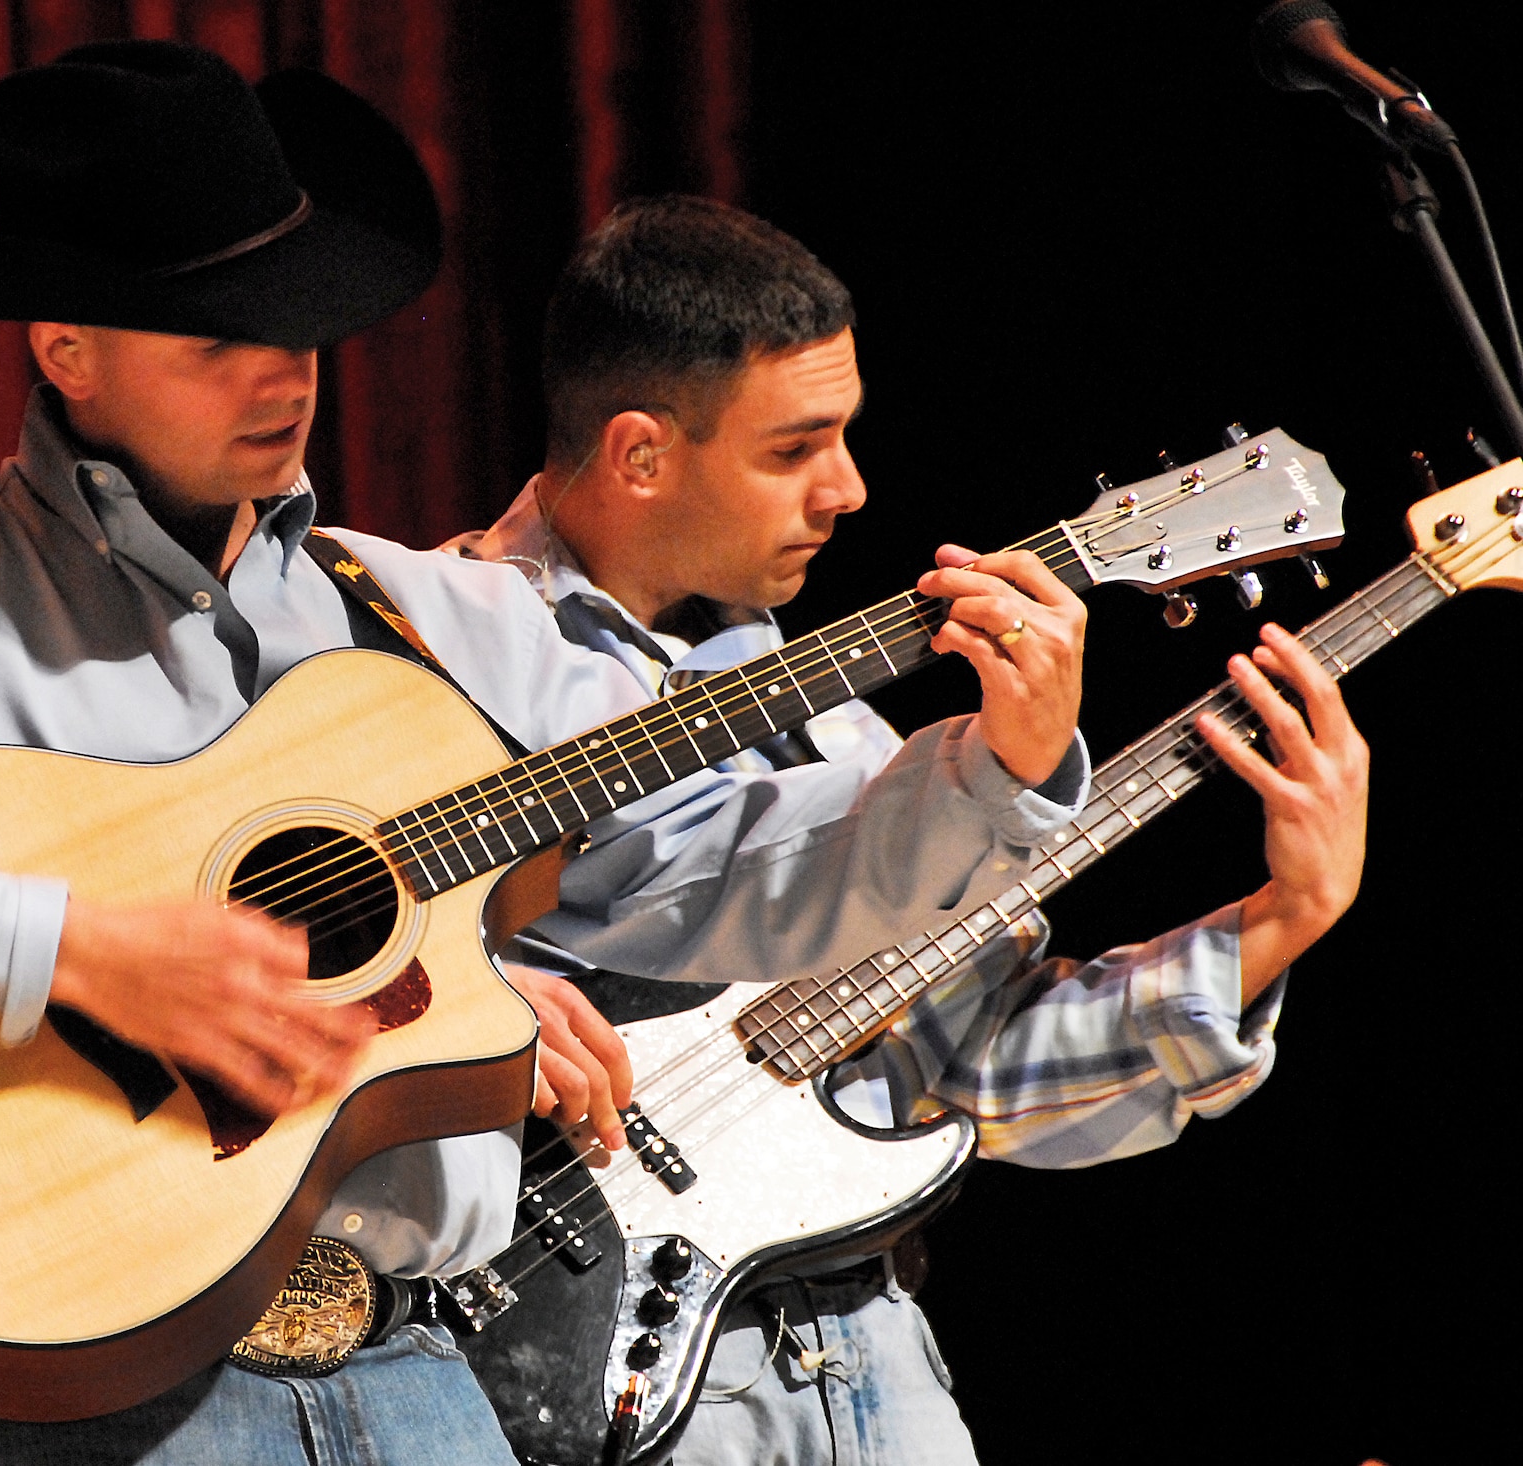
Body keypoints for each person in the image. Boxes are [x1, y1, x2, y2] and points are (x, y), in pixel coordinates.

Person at [0, 46, 1096, 1466]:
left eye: (301, 322)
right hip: (76, 1394)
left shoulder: (424, 614)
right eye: (220, 335)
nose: (285, 374)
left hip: (417, 1370)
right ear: (68, 349)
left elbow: (705, 869)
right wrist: (76, 948)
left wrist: (987, 769)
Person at [449, 195, 1368, 1465]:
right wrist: (490, 1002)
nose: (849, 488)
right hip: (587, 1369)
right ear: (640, 454)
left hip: (869, 1374)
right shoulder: (427, 663)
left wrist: (1275, 924)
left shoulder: (840, 734)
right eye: (795, 447)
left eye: (847, 433)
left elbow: (981, 1071)